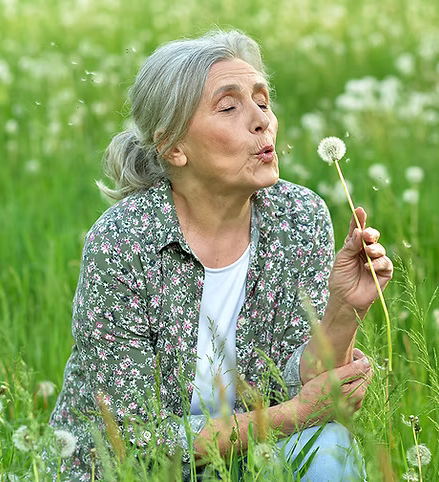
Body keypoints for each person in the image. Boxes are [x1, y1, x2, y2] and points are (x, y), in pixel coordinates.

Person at [46, 29, 393, 481]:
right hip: (133, 470)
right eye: (229, 107)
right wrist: (291, 415)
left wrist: (344, 308)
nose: (261, 120)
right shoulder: (122, 241)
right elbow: (132, 437)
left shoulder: (298, 215)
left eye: (263, 102)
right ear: (173, 146)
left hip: (251, 458)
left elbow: (300, 380)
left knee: (330, 448)